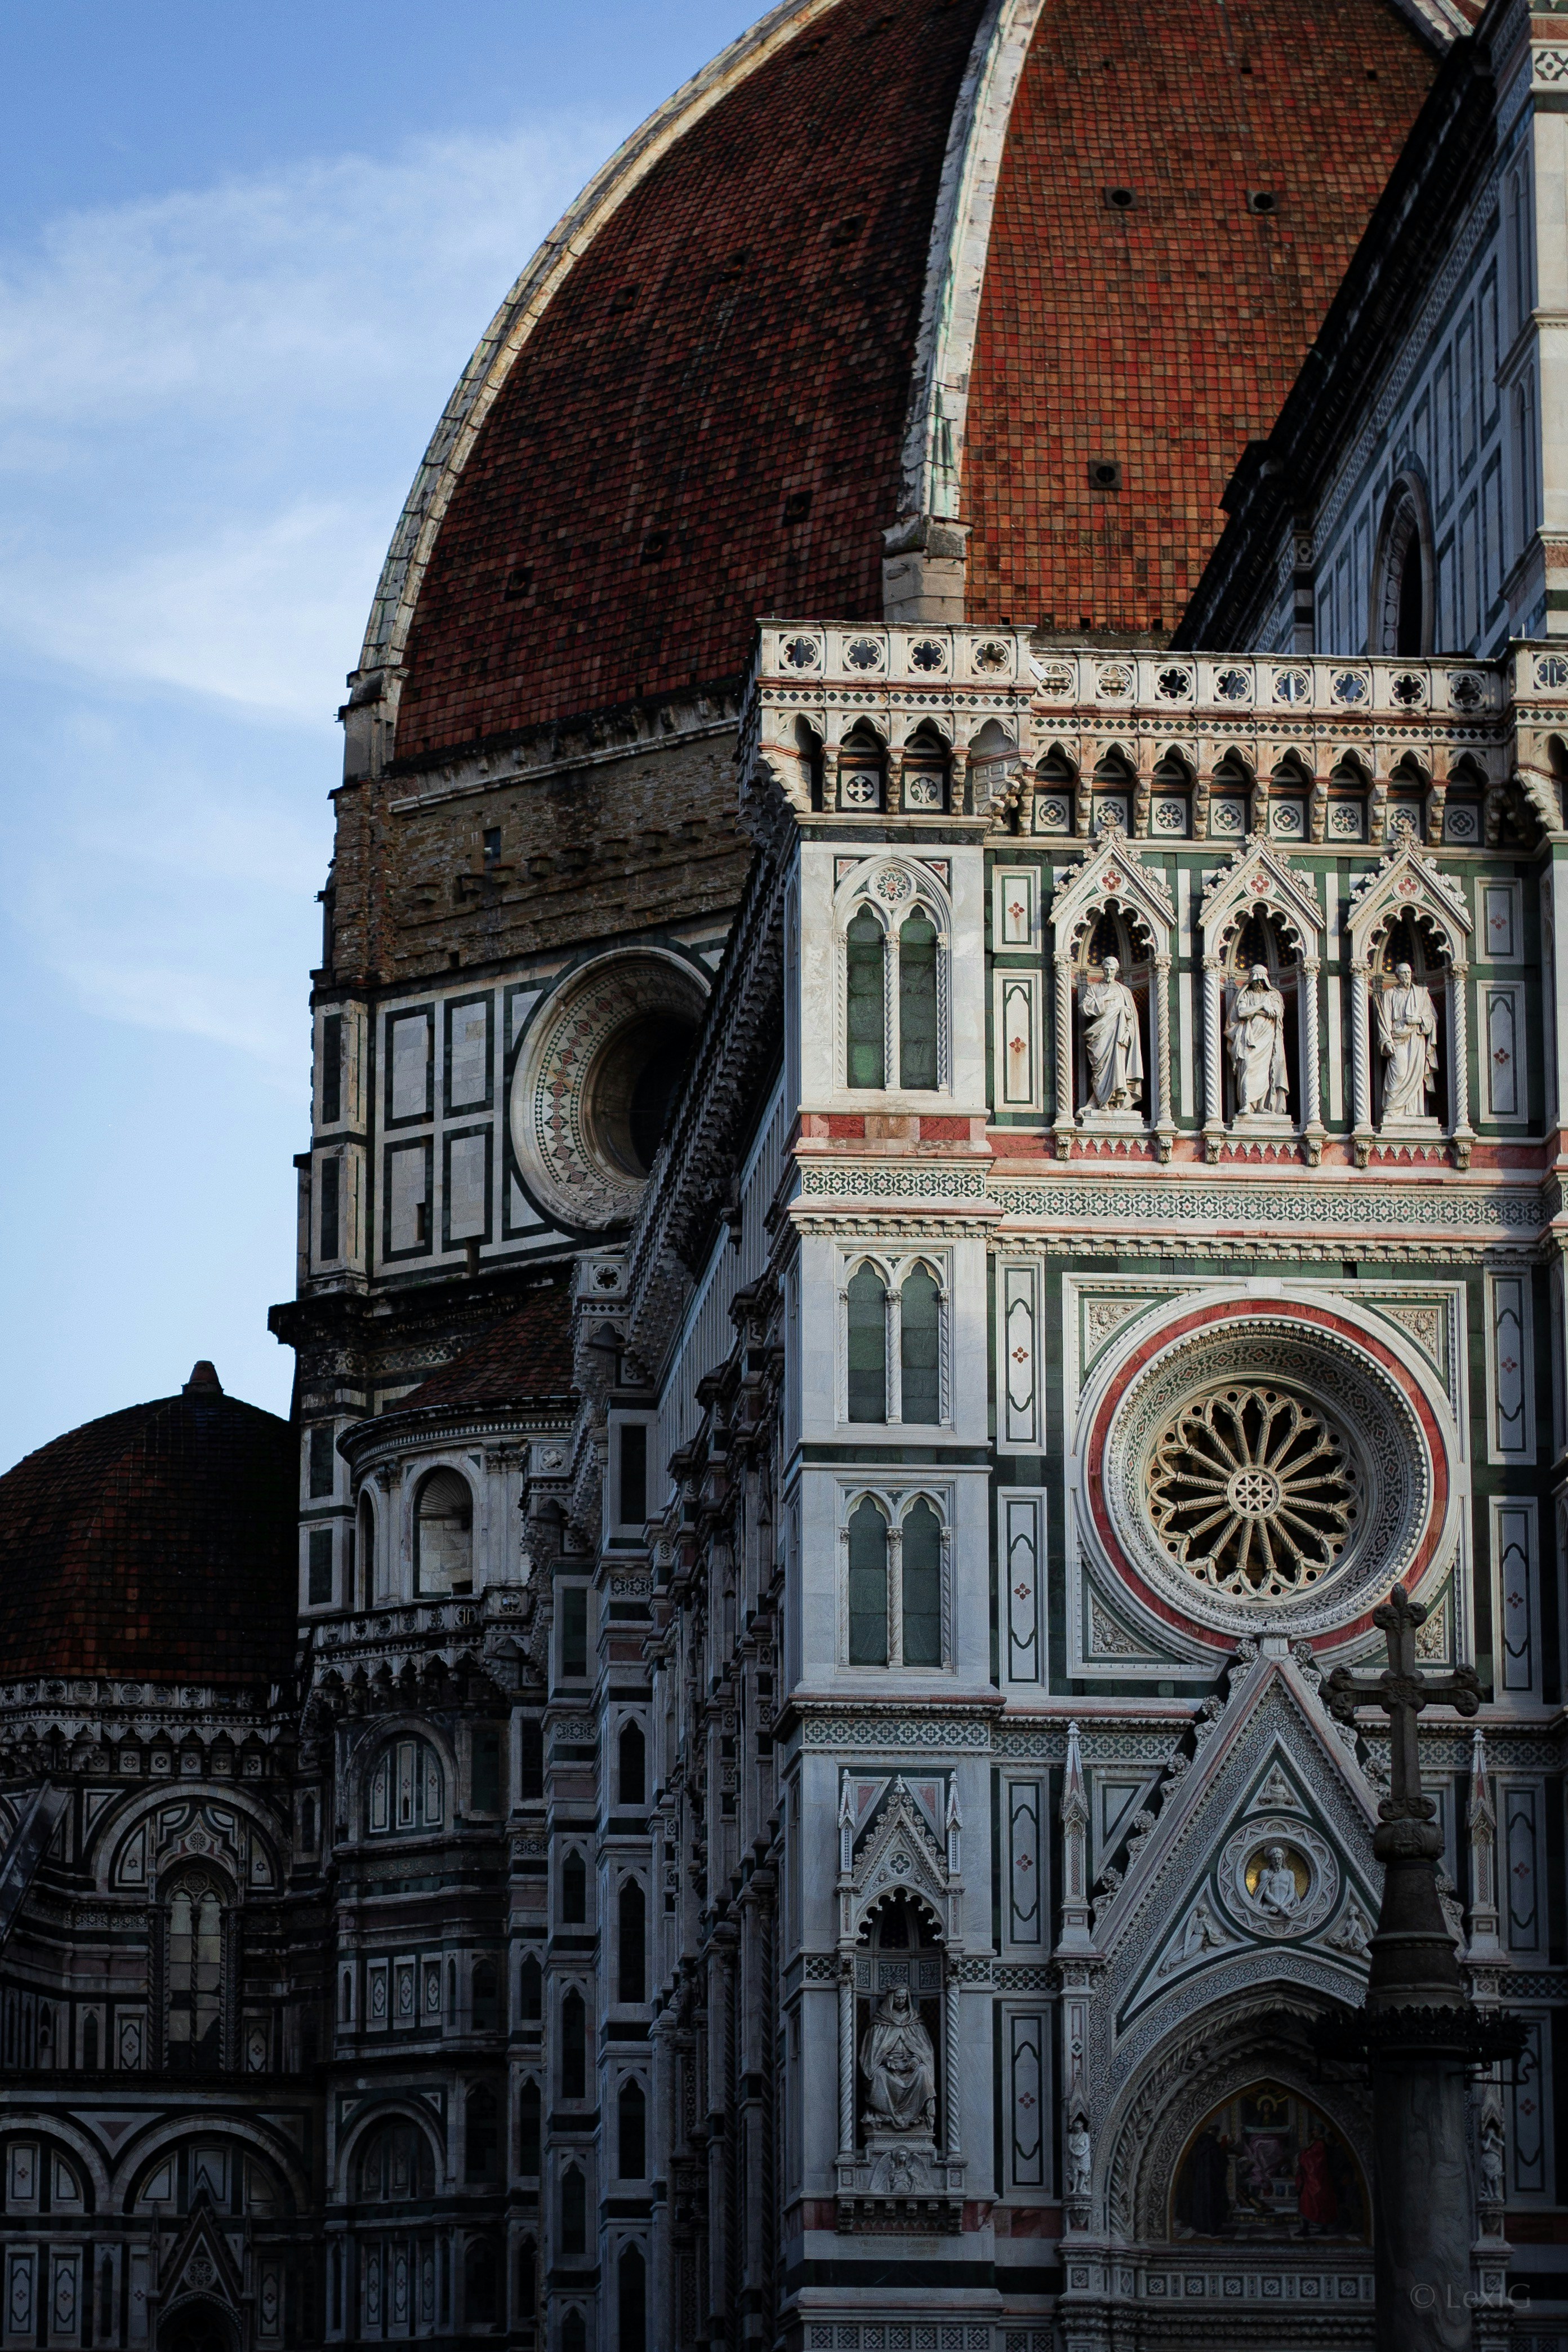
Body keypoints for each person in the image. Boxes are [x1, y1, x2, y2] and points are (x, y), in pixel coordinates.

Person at [859, 1984, 937, 2135]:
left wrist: (917, 2058)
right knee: (878, 2075)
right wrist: (885, 2059)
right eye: (897, 1998)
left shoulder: (915, 2021)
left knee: (924, 2071)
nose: (901, 2001)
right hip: (890, 2068)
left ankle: (916, 2118)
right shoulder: (880, 2022)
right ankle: (885, 2117)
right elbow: (871, 2053)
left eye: (903, 1998)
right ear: (891, 1999)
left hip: (911, 2067)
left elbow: (926, 2050)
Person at [1079, 955, 1143, 1111]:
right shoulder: (1094, 989)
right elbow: (1084, 1009)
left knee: (1118, 1068)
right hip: (1100, 1035)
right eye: (1106, 969)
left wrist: (1128, 1033)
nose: (1109, 972)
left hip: (1119, 1038)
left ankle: (1116, 1103)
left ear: (1117, 970)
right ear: (1102, 969)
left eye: (1112, 969)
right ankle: (1101, 1101)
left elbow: (1132, 1019)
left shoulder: (1124, 991)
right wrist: (1104, 999)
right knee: (1099, 1070)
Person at [1378, 958, 1438, 1122]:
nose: (1407, 976)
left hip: (1417, 1038)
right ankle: (1392, 1109)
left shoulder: (1421, 993)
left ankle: (1415, 1112)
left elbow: (1432, 1019)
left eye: (1409, 973)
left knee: (1417, 1076)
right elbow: (1384, 1020)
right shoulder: (1389, 994)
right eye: (1404, 973)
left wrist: (1418, 1020)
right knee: (1399, 1072)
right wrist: (1386, 1040)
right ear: (1397, 976)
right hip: (1398, 1038)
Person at [1228, 962, 1289, 1115]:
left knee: (1265, 1071)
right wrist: (1261, 1007)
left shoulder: (1273, 995)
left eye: (1260, 980)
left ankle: (1261, 1106)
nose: (1258, 983)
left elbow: (1276, 1013)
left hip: (1267, 1038)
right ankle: (1246, 1104)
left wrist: (1256, 1012)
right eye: (1255, 980)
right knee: (1247, 1067)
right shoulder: (1246, 995)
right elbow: (1242, 1013)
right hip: (1249, 1038)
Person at [1295, 2128, 1338, 2234]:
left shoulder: (1320, 2144)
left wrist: (1303, 2156)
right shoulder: (1316, 2143)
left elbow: (1315, 2160)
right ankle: (1307, 2229)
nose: (1311, 2132)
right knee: (1307, 2204)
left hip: (1317, 2181)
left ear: (1319, 2132)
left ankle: (1317, 2229)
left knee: (1315, 2204)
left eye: (1314, 2130)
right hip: (1313, 2180)